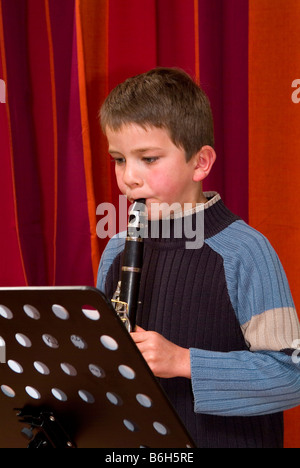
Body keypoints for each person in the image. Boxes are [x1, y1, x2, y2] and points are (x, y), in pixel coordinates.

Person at [96, 67, 300, 448]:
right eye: (119, 159)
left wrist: (182, 361)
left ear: (200, 162)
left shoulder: (245, 251)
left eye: (149, 158)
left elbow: (291, 376)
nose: (129, 179)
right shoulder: (117, 248)